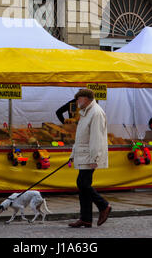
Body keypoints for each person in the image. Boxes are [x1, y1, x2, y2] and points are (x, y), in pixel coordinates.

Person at [68, 88, 111, 228]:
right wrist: (73, 154)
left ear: (87, 98)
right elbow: (80, 137)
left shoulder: (96, 113)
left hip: (89, 155)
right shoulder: (86, 112)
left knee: (83, 184)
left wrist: (95, 158)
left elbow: (96, 138)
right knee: (82, 185)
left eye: (79, 99)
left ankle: (104, 205)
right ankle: (86, 218)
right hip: (84, 154)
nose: (77, 101)